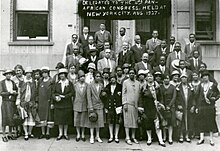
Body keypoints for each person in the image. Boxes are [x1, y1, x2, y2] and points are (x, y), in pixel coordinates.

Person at [139, 72, 166, 147]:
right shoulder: (144, 87)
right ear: (146, 78)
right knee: (148, 123)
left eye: (151, 76)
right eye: (148, 76)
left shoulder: (157, 86)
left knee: (157, 124)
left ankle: (160, 140)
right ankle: (149, 139)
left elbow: (161, 97)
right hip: (147, 107)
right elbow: (140, 98)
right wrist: (140, 107)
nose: (150, 77)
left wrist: (160, 104)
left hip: (156, 107)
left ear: (153, 77)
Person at [196, 71, 220, 146]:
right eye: (203, 76)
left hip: (210, 106)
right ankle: (201, 138)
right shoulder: (201, 85)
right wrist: (197, 107)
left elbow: (218, 94)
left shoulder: (213, 85)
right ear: (202, 78)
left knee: (211, 122)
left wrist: (214, 99)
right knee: (201, 122)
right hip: (202, 106)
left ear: (208, 77)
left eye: (206, 76)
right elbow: (197, 96)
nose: (205, 78)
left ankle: (211, 139)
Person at [52, 68, 74, 141]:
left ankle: (65, 134)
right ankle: (60, 134)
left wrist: (65, 96)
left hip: (67, 104)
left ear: (65, 75)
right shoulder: (57, 83)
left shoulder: (69, 83)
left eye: (63, 74)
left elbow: (72, 92)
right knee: (59, 120)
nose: (61, 76)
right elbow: (53, 93)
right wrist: (56, 98)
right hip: (59, 104)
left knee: (66, 120)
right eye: (60, 75)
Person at [102, 73, 122, 143]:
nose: (112, 79)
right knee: (110, 121)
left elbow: (122, 97)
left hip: (118, 106)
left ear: (116, 79)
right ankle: (111, 136)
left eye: (113, 78)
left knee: (117, 122)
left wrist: (121, 106)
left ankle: (116, 136)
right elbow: (105, 98)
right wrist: (106, 107)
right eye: (111, 78)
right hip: (110, 106)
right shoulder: (107, 87)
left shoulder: (120, 86)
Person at [122, 69, 140, 145]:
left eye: (133, 73)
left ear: (135, 74)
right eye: (130, 73)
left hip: (135, 105)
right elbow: (124, 93)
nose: (132, 74)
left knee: (134, 122)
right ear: (128, 74)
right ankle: (127, 137)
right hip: (128, 104)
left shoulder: (138, 83)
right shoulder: (125, 82)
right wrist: (124, 103)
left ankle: (133, 136)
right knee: (127, 121)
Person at [176, 74, 195, 143]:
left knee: (188, 121)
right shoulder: (178, 87)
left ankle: (187, 135)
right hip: (181, 107)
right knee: (181, 121)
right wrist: (178, 105)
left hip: (188, 106)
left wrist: (193, 106)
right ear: (180, 79)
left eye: (185, 78)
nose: (184, 79)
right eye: (182, 78)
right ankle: (181, 135)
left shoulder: (190, 87)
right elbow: (176, 97)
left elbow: (193, 97)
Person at [87, 71, 105, 144]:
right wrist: (90, 106)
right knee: (92, 121)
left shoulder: (101, 85)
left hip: (100, 105)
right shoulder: (90, 85)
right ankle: (91, 136)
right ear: (94, 77)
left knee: (99, 122)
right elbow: (88, 97)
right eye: (97, 76)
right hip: (92, 105)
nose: (98, 78)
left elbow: (103, 96)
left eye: (99, 76)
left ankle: (97, 136)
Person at [20, 67, 37, 141]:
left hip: (31, 102)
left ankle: (30, 132)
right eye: (27, 73)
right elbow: (19, 92)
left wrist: (35, 101)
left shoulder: (33, 82)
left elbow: (36, 92)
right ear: (25, 74)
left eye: (30, 73)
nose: (28, 74)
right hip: (24, 102)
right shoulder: (22, 82)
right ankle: (26, 133)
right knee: (25, 119)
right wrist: (19, 102)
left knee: (31, 118)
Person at [0, 70, 18, 142]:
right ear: (5, 75)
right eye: (7, 74)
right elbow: (1, 93)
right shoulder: (2, 83)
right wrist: (9, 93)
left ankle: (10, 134)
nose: (9, 75)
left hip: (12, 102)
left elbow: (16, 91)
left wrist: (14, 93)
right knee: (5, 118)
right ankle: (4, 135)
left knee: (11, 119)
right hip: (5, 102)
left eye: (10, 74)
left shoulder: (13, 82)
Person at [36, 67, 53, 140]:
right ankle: (43, 133)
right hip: (41, 102)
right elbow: (37, 92)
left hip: (48, 102)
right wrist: (37, 101)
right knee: (42, 116)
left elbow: (53, 92)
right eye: (43, 73)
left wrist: (52, 102)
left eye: (45, 72)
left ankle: (48, 133)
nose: (44, 74)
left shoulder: (51, 81)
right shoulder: (40, 81)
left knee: (48, 117)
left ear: (48, 73)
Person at [161, 75, 176, 145]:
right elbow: (160, 97)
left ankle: (170, 137)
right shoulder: (161, 87)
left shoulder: (173, 87)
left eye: (167, 78)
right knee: (164, 122)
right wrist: (163, 105)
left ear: (169, 79)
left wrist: (169, 106)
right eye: (164, 79)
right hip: (163, 106)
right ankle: (164, 137)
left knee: (170, 123)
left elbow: (174, 97)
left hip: (171, 106)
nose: (166, 80)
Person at [73, 70, 88, 142]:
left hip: (84, 104)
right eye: (81, 77)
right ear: (78, 78)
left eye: (83, 76)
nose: (82, 78)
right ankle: (78, 134)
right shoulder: (75, 85)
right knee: (77, 120)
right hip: (76, 104)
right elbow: (73, 95)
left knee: (83, 120)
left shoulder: (87, 85)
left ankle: (82, 134)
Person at [11, 64, 25, 138]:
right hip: (15, 99)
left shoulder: (25, 78)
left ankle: (22, 131)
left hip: (23, 99)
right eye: (16, 71)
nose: (18, 72)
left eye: (19, 70)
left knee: (23, 115)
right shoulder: (13, 79)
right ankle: (16, 131)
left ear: (22, 71)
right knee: (15, 115)